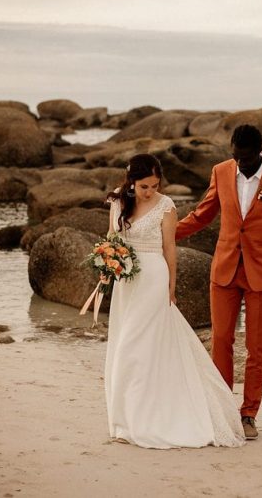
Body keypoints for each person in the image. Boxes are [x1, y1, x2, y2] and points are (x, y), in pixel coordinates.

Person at [103, 153, 245, 449]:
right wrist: (108, 264)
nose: (150, 191)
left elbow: (169, 248)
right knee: (123, 345)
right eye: (144, 186)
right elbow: (111, 238)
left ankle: (146, 419)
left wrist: (170, 285)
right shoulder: (117, 201)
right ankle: (125, 419)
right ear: (131, 181)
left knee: (135, 346)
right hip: (126, 281)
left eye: (154, 185)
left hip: (153, 278)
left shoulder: (166, 206)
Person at [176, 124, 262, 440]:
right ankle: (221, 408)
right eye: (235, 157)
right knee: (221, 341)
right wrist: (166, 232)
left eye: (245, 159)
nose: (240, 164)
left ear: (259, 151)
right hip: (225, 269)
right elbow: (203, 214)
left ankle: (248, 414)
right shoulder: (220, 171)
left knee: (257, 348)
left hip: (261, 275)